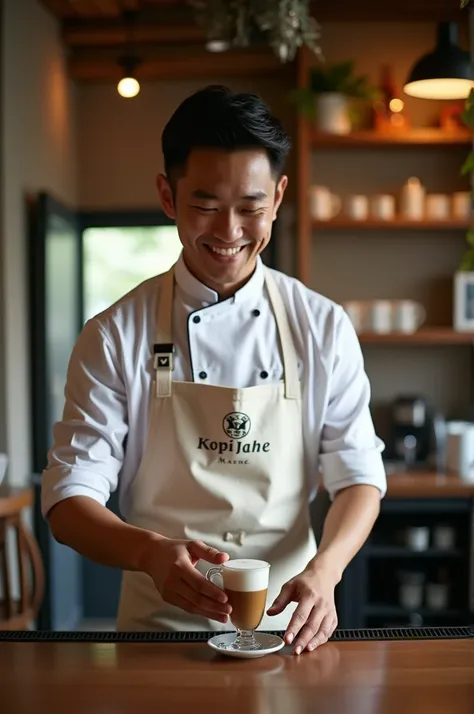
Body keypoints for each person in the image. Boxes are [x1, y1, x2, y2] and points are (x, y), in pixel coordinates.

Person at [41, 85, 386, 655]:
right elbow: (68, 499)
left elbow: (358, 477)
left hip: (288, 631)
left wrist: (326, 571)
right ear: (168, 196)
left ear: (278, 197)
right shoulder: (114, 333)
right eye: (205, 206)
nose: (229, 232)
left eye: (251, 208)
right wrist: (148, 552)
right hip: (157, 635)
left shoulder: (321, 326)